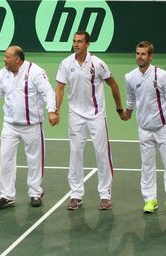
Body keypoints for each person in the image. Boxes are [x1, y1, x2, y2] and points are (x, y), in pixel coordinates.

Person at [0, 46, 58, 209]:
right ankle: (6, 196)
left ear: (17, 59)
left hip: (32, 125)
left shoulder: (35, 72)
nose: (4, 59)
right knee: (5, 159)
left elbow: (48, 91)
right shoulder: (3, 73)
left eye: (7, 57)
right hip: (10, 125)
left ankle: (35, 192)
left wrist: (52, 111)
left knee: (34, 160)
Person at [54, 30, 125, 210]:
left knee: (102, 154)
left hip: (96, 115)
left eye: (79, 42)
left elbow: (113, 84)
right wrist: (55, 111)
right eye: (74, 41)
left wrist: (118, 108)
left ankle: (105, 194)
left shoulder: (98, 64)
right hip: (75, 115)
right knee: (75, 153)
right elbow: (60, 89)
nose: (76, 44)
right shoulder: (66, 63)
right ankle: (76, 194)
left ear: (87, 44)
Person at [122, 41, 166, 214]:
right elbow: (130, 98)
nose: (140, 57)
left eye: (143, 54)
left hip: (163, 127)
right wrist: (128, 112)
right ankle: (150, 200)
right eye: (137, 53)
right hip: (144, 129)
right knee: (147, 165)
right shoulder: (130, 77)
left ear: (150, 56)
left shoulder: (163, 75)